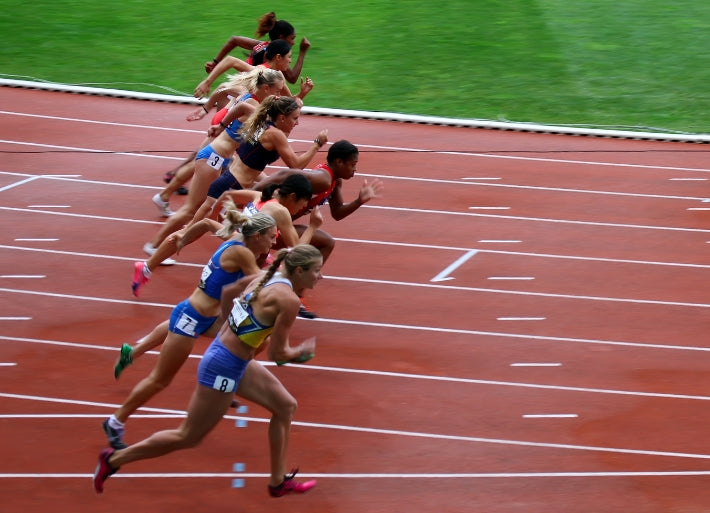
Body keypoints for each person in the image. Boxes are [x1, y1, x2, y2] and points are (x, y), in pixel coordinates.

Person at [94, 244, 323, 497]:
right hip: (223, 367)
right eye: (316, 271)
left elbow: (228, 292)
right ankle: (114, 459)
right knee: (188, 436)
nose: (320, 276)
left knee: (285, 406)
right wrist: (301, 353)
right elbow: (278, 355)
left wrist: (232, 327)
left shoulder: (263, 277)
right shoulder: (288, 300)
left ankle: (278, 482)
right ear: (300, 271)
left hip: (230, 358)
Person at [104, 212, 278, 451]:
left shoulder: (238, 236)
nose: (274, 243)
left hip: (210, 317)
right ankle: (115, 421)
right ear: (257, 236)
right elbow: (258, 281)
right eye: (271, 237)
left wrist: (184, 237)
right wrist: (284, 269)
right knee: (160, 380)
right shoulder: (242, 252)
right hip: (192, 317)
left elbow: (207, 223)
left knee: (256, 341)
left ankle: (134, 352)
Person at [142, 69, 286, 263]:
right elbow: (270, 121)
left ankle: (236, 244)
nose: (279, 96)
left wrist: (206, 111)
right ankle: (154, 245)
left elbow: (221, 89)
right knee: (192, 209)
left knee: (227, 202)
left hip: (223, 158)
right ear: (266, 88)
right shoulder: (253, 105)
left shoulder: (246, 93)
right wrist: (219, 122)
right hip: (214, 157)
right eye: (277, 91)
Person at [131, 173, 322, 297]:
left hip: (235, 239)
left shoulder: (260, 196)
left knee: (191, 231)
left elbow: (227, 196)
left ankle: (147, 267)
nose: (304, 207)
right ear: (292, 196)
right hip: (240, 250)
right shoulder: (281, 212)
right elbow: (297, 250)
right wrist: (313, 226)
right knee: (257, 284)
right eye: (304, 202)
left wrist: (215, 217)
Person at [253, 140, 384, 317]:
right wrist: (254, 196)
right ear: (339, 162)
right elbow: (283, 173)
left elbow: (337, 213)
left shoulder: (334, 182)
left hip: (282, 224)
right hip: (270, 223)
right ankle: (276, 294)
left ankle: (293, 295)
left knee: (325, 243)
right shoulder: (323, 179)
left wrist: (359, 201)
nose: (355, 170)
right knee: (256, 264)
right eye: (353, 165)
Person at [205, 12, 310, 85]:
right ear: (281, 37)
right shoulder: (276, 56)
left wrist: (215, 62)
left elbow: (234, 40)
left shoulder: (262, 45)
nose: (293, 42)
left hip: (240, 84)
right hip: (246, 91)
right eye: (292, 38)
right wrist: (302, 51)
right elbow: (292, 78)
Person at [195, 39, 310, 101]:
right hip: (236, 120)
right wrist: (207, 82)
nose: (290, 61)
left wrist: (302, 93)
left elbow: (290, 102)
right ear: (278, 57)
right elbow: (230, 60)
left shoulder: (279, 77)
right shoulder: (260, 71)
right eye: (289, 57)